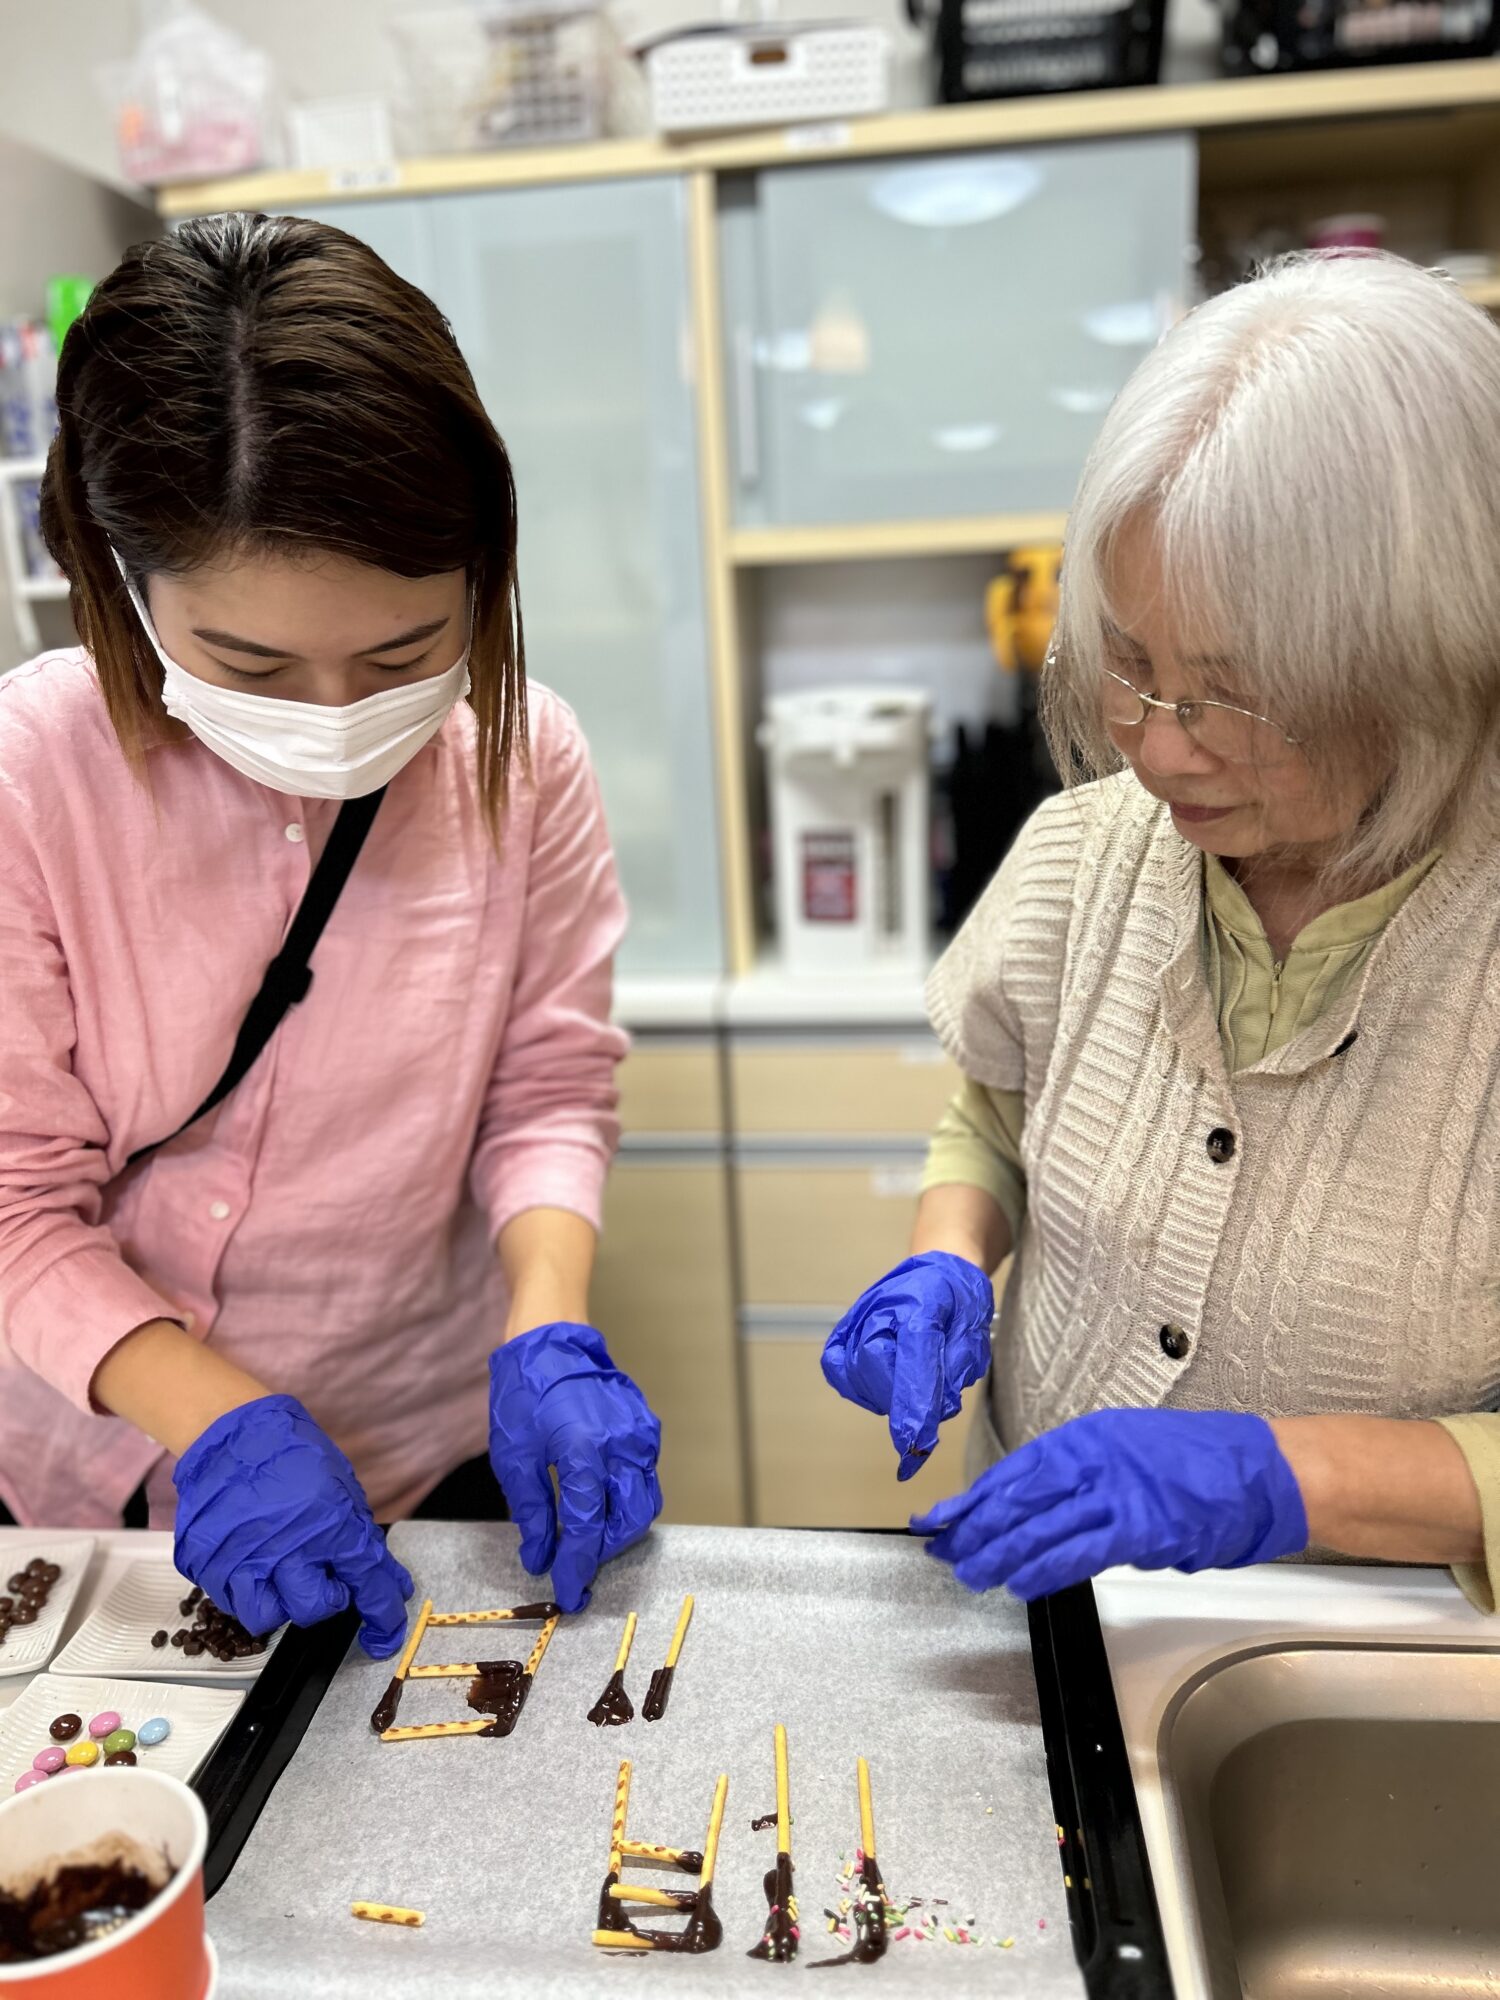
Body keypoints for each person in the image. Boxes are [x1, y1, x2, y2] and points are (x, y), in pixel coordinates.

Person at [0, 213, 663, 1655]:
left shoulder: (526, 756)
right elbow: (9, 1204)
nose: (327, 716)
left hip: (419, 1447)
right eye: (248, 661)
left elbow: (546, 1087)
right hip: (87, 1469)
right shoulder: (28, 776)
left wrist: (546, 1322)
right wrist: (213, 1412)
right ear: (119, 581)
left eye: (403, 653)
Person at [823, 251, 1500, 1609]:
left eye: (1236, 694)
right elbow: (994, 1117)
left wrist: (1281, 1475)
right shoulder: (1084, 858)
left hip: (1363, 1656)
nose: (1159, 750)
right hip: (1052, 1615)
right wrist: (949, 1252)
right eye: (1130, 664)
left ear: (1431, 661)